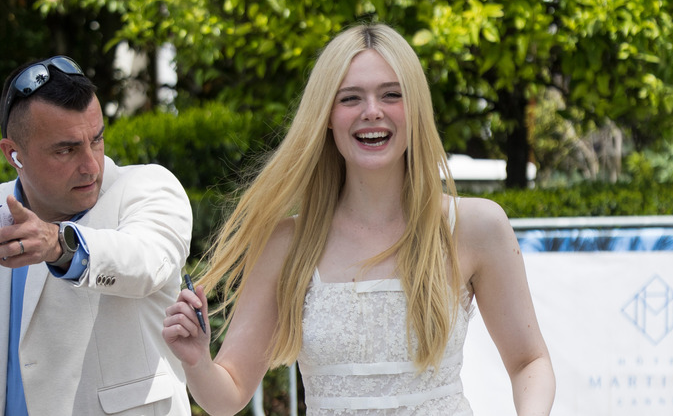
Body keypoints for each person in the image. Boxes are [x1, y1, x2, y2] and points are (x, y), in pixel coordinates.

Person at [163, 23, 555, 415]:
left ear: (416, 107)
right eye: (350, 98)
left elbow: (529, 362)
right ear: (327, 115)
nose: (372, 112)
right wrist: (196, 359)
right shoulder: (286, 243)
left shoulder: (475, 226)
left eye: (391, 95)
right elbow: (227, 396)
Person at [0, 56, 193, 415]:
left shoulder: (149, 186)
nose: (91, 165)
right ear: (14, 154)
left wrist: (60, 245)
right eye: (66, 149)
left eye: (97, 140)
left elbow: (147, 261)